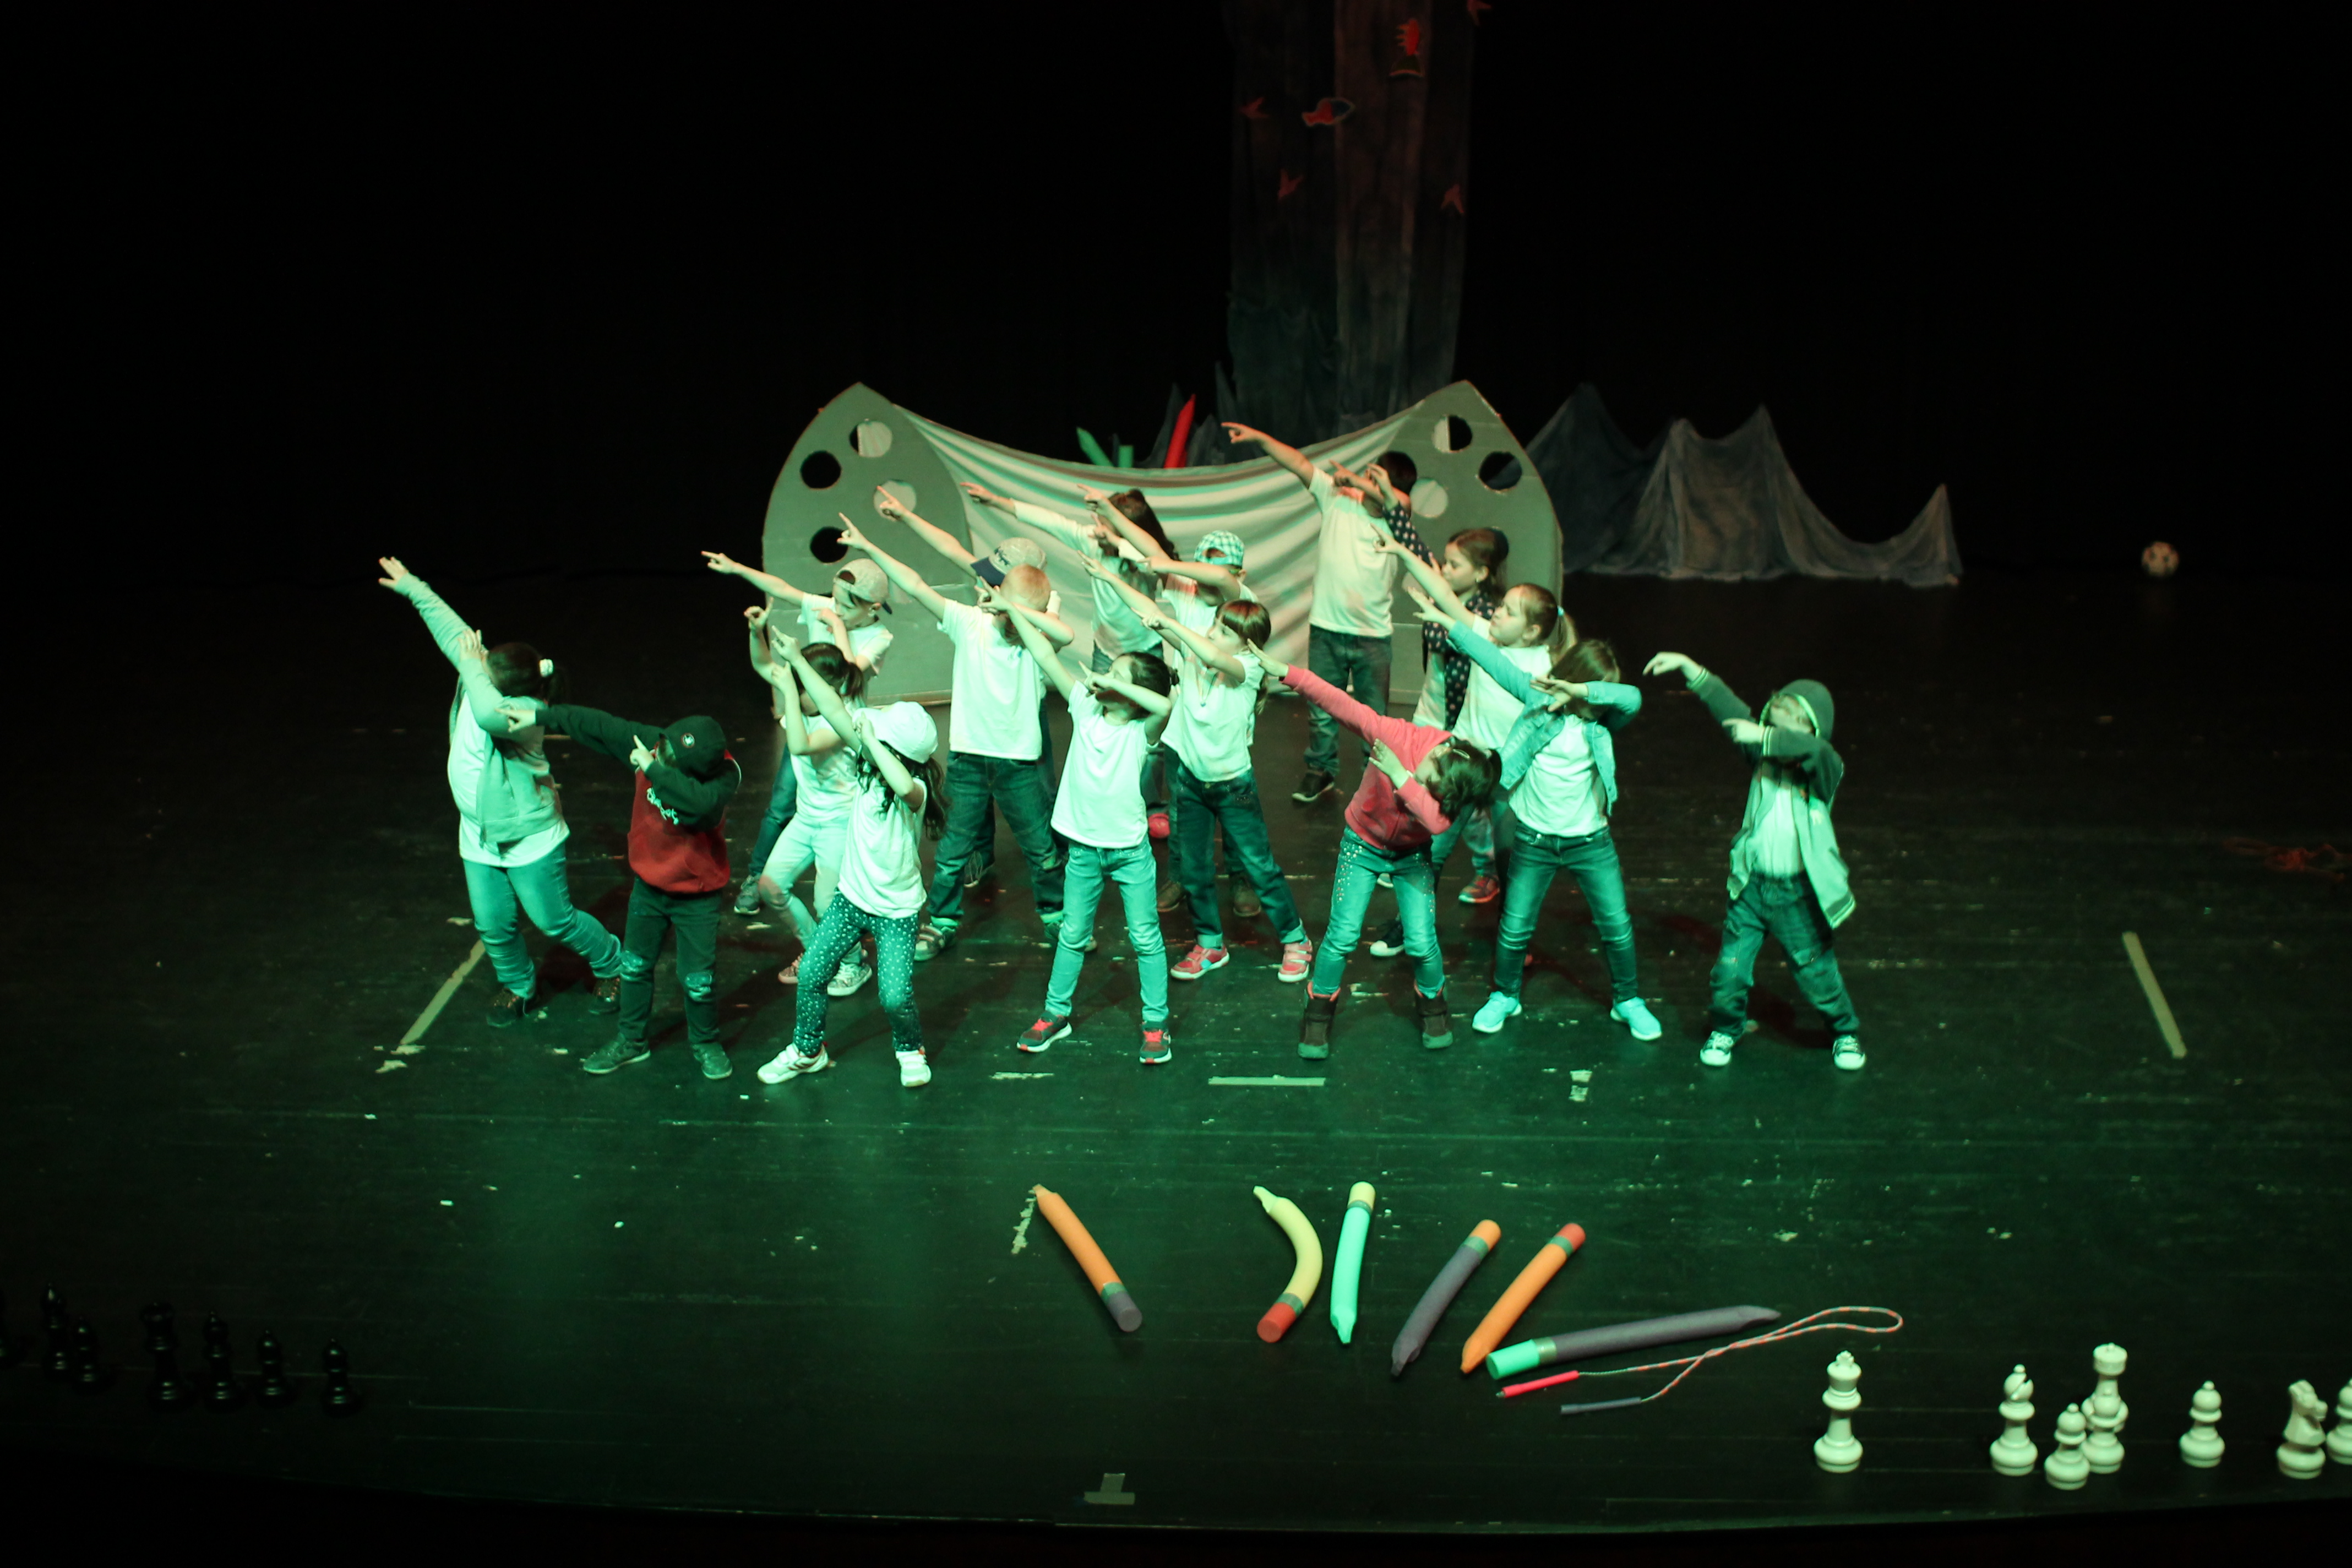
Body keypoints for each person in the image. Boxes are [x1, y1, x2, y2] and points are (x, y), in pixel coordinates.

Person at [378, 557, 624, 1025]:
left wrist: (473, 666)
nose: (475, 665)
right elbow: (454, 633)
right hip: (480, 833)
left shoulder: (523, 713)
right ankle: (518, 985)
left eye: (483, 670)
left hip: (528, 835)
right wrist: (413, 586)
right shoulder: (483, 673)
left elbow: (488, 711)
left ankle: (614, 964)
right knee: (492, 923)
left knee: (555, 921)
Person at [1413, 592, 1657, 1042]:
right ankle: (1505, 995)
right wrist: (1450, 624)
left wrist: (1585, 693)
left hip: (1591, 842)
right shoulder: (1537, 700)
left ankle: (1628, 1000)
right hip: (1535, 841)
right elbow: (1494, 660)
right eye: (1590, 690)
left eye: (1598, 694)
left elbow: (1633, 698)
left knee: (1617, 927)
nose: (1599, 702)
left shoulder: (1602, 722)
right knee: (1514, 929)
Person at [827, 515, 1072, 957]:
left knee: (1042, 849)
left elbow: (1065, 633)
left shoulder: (1036, 636)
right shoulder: (969, 622)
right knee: (952, 851)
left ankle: (1055, 917)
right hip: (969, 762)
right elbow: (916, 584)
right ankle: (942, 922)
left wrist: (1019, 611)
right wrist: (868, 543)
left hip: (1019, 763)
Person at [1250, 651, 1499, 1059]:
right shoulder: (1396, 736)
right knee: (1342, 936)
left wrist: (1401, 776)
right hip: (1362, 846)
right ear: (1438, 757)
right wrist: (1289, 673)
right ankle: (1319, 1007)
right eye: (1430, 785)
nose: (1427, 793)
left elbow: (1437, 824)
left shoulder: (1456, 783)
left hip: (1411, 855)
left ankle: (1432, 1002)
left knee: (1422, 941)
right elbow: (1341, 704)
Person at [1081, 554, 1314, 984]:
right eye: (1215, 625)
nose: (1211, 632)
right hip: (1190, 781)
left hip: (1233, 787)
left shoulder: (1248, 668)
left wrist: (1175, 627)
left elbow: (1211, 654)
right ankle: (1210, 942)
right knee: (1194, 868)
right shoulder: (1195, 653)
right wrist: (1108, 577)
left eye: (1223, 630)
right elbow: (1147, 609)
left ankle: (1296, 939)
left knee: (1259, 866)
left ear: (1246, 644)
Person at [493, 693, 743, 1080]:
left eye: (666, 761)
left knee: (698, 981)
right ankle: (632, 1040)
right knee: (634, 966)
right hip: (649, 889)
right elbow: (599, 725)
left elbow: (700, 807)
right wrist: (540, 715)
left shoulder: (723, 777)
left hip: (697, 896)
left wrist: (652, 768)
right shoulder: (654, 745)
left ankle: (705, 1043)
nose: (657, 757)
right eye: (659, 751)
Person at [1645, 651, 1864, 1071]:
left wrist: (1764, 736)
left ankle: (1845, 1031)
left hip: (1799, 896)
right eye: (1773, 722)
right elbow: (1731, 711)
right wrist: (1692, 670)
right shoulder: (1762, 756)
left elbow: (1815, 750)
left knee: (1817, 974)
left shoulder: (1824, 770)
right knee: (1729, 972)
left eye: (1789, 728)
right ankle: (1727, 1028)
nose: (1775, 733)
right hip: (1752, 888)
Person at [755, 631, 949, 1089]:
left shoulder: (916, 792)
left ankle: (910, 1049)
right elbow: (833, 706)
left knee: (895, 997)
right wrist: (796, 661)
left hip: (896, 912)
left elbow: (902, 785)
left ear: (898, 752)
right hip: (851, 899)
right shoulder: (869, 761)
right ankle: (808, 1051)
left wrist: (871, 742)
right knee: (812, 974)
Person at [1000, 590, 1178, 1063]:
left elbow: (1162, 706)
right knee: (1073, 934)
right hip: (1083, 852)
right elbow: (1044, 654)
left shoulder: (1139, 731)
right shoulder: (1084, 707)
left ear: (1133, 694)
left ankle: (1156, 1022)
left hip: (1129, 854)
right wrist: (1012, 608)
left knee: (1145, 938)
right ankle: (1056, 1013)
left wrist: (1118, 684)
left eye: (1116, 674)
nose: (1102, 677)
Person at [1221, 421, 1437, 804]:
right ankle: (1320, 770)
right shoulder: (1339, 498)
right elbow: (1298, 464)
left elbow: (1398, 501)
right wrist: (1260, 438)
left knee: (1374, 716)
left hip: (1373, 636)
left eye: (1378, 481)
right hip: (1327, 629)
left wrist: (1358, 479)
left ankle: (1377, 781)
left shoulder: (1396, 519)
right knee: (1321, 711)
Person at [871, 487, 1071, 887]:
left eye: (998, 578)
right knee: (974, 786)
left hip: (1022, 710)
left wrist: (1011, 609)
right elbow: (949, 548)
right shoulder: (990, 594)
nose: (987, 582)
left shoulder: (1046, 603)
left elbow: (1057, 634)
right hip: (983, 710)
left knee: (1039, 786)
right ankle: (980, 852)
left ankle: (1054, 852)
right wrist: (906, 516)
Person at [1374, 535, 1572, 922]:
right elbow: (1444, 596)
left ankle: (1511, 934)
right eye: (1501, 606)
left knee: (1509, 858)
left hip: (1508, 777)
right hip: (1464, 764)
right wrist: (1401, 552)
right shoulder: (1484, 635)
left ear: (1532, 632)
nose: (1497, 613)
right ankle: (1408, 926)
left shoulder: (1545, 667)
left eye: (1510, 612)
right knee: (1433, 848)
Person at [701, 551, 894, 916]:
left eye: (846, 606)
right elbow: (779, 605)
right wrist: (752, 616)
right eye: (834, 599)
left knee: (831, 887)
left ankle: (854, 902)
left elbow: (848, 676)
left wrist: (834, 629)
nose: (835, 608)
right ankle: (759, 877)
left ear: (872, 608)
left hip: (840, 746)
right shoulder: (827, 616)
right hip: (808, 747)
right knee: (780, 808)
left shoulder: (876, 639)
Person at [742, 611, 873, 997]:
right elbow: (762, 665)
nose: (794, 689)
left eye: (801, 684)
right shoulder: (802, 699)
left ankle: (852, 963)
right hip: (806, 818)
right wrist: (756, 631)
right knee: (770, 886)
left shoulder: (843, 717)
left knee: (826, 902)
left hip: (839, 822)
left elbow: (801, 745)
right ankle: (819, 950)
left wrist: (788, 694)